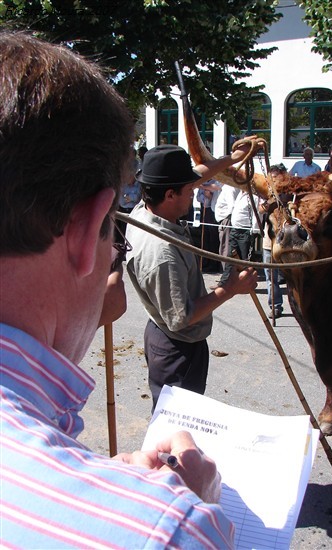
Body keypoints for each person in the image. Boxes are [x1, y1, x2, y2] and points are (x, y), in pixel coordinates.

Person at [0, 31, 235, 547]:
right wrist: (184, 506)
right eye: (113, 240)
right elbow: (179, 316)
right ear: (89, 232)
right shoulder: (170, 530)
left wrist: (85, 477)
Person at [126, 144, 258, 411]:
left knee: (177, 422)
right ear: (170, 194)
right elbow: (180, 317)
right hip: (177, 349)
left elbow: (195, 176)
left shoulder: (146, 208)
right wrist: (230, 289)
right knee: (174, 428)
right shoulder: (160, 252)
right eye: (189, 192)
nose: (194, 194)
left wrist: (230, 159)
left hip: (168, 339)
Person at [218, 189, 265, 286]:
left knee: (245, 259)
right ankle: (224, 282)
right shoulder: (240, 194)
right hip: (235, 230)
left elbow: (256, 214)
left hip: (246, 231)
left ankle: (248, 284)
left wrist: (254, 231)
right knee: (230, 257)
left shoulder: (254, 197)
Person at [262, 164, 287, 319]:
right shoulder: (265, 193)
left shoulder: (289, 193)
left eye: (275, 178)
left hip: (287, 241)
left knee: (293, 276)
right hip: (268, 241)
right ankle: (276, 305)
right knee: (270, 277)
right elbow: (260, 208)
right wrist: (268, 202)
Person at [214, 183, 240, 272]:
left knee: (225, 248)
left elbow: (232, 206)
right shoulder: (227, 188)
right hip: (225, 219)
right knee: (224, 247)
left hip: (227, 219)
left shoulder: (229, 188)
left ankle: (227, 273)